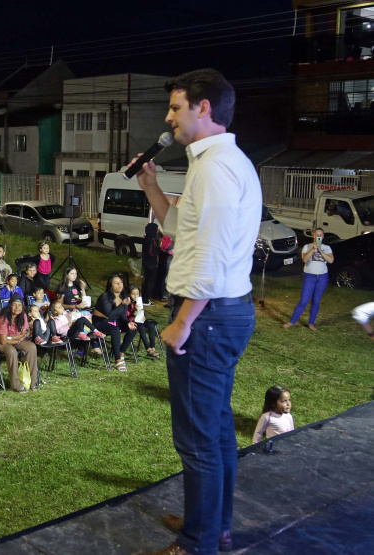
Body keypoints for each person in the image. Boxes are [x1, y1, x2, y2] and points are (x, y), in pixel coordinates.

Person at [132, 69, 259, 555]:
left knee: (197, 439)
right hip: (222, 314)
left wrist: (183, 320)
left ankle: (197, 543)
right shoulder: (217, 163)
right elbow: (179, 228)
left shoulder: (215, 168)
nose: (169, 118)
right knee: (216, 429)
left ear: (203, 108)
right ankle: (214, 526)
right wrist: (150, 185)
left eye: (175, 107)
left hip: (206, 318)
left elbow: (211, 253)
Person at [283, 228, 333, 331]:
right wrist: (313, 249)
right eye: (317, 234)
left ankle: (311, 323)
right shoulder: (307, 247)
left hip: (322, 277)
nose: (319, 236)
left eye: (321, 234)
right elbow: (305, 259)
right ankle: (292, 321)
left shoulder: (327, 248)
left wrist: (320, 250)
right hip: (310, 277)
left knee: (316, 301)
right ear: (313, 235)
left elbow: (331, 260)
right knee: (304, 301)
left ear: (323, 236)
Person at [0, 294, 38, 392]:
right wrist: (17, 339)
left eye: (19, 305)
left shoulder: (23, 315)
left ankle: (32, 382)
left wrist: (14, 339)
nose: (17, 307)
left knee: (31, 347)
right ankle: (16, 384)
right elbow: (3, 341)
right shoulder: (3, 319)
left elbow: (24, 333)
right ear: (10, 306)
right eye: (14, 305)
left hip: (13, 339)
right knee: (11, 351)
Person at [92, 273, 137, 371]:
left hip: (114, 321)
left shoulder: (123, 297)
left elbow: (122, 315)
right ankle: (117, 360)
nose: (119, 285)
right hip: (100, 322)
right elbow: (110, 314)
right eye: (116, 283)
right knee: (115, 329)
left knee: (133, 328)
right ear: (111, 285)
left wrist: (127, 322)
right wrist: (122, 304)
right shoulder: (105, 297)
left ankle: (121, 352)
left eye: (120, 282)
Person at [129, 284, 161, 359]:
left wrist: (143, 316)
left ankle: (153, 348)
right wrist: (135, 311)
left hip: (140, 320)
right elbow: (128, 317)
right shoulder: (128, 303)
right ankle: (148, 349)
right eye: (133, 294)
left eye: (137, 294)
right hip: (132, 322)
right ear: (129, 294)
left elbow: (141, 312)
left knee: (151, 325)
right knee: (141, 328)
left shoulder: (139, 301)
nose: (135, 296)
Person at [141, 223, 161, 306]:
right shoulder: (150, 240)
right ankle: (145, 300)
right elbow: (151, 253)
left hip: (147, 263)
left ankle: (143, 298)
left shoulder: (147, 239)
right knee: (150, 282)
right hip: (151, 264)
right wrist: (159, 251)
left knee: (146, 281)